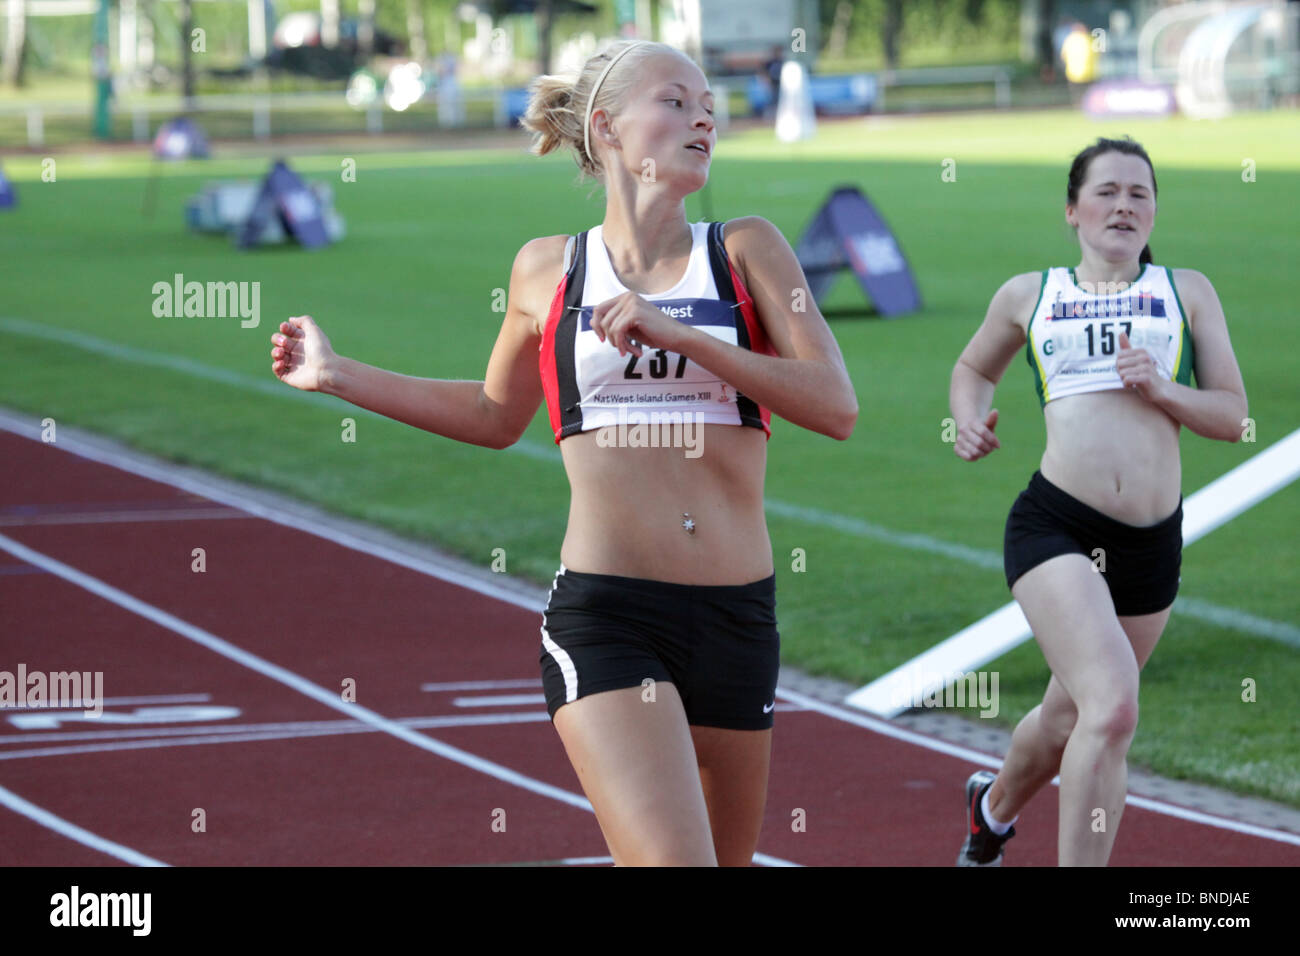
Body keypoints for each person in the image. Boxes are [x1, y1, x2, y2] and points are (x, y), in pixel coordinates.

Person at [269, 38, 857, 866]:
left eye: (709, 109)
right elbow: (491, 413)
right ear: (608, 127)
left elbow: (836, 406)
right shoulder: (550, 269)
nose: (702, 119)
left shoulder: (748, 251)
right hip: (609, 617)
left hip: (739, 619)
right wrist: (338, 375)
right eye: (676, 101)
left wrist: (686, 337)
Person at [948, 136, 1247, 867]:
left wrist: (1164, 388)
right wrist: (966, 418)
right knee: (1111, 708)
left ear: (1154, 214)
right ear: (1073, 210)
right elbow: (972, 366)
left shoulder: (1188, 291)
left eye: (1139, 193)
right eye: (1106, 191)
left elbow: (1234, 416)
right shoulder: (1031, 294)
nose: (1123, 205)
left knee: (1065, 716)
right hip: (1057, 528)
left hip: (1151, 544)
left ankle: (990, 811)